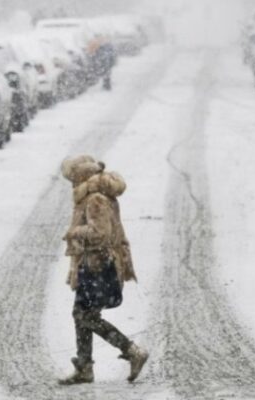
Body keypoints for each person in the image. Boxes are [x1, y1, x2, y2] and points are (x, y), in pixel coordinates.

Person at [58, 155, 148, 385]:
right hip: (94, 264)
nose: (71, 184)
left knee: (85, 315)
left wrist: (74, 233)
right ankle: (84, 367)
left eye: (72, 179)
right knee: (81, 313)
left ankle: (131, 350)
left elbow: (100, 233)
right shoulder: (96, 194)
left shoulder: (94, 198)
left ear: (80, 176)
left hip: (99, 265)